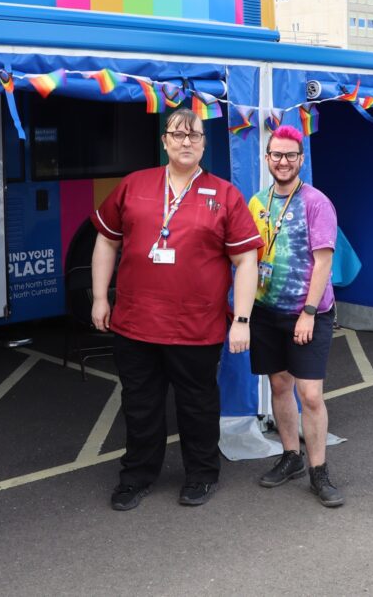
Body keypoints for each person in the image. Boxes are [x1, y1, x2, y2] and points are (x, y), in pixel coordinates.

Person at [91, 108, 262, 510]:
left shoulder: (224, 194)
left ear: (204, 143)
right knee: (140, 405)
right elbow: (106, 241)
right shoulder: (134, 186)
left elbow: (247, 261)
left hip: (196, 326)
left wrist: (241, 319)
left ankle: (202, 475)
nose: (187, 142)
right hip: (135, 323)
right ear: (164, 140)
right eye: (178, 135)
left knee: (198, 405)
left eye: (195, 136)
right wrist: (100, 297)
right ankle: (136, 477)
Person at [248, 125, 344, 508]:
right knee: (279, 387)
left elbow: (324, 263)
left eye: (290, 155)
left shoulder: (316, 202)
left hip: (308, 313)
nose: (283, 162)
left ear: (300, 160)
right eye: (277, 155)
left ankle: (319, 471)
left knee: (310, 394)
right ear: (267, 159)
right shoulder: (257, 202)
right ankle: (290, 456)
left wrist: (307, 312)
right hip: (267, 311)